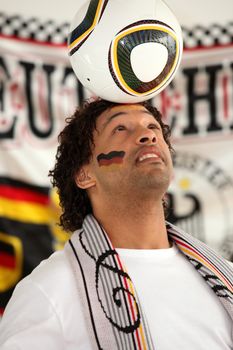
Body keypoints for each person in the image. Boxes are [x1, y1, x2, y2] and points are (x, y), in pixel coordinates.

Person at [0, 98, 232, 349]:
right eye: (120, 128)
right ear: (84, 174)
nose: (147, 135)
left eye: (153, 127)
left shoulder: (224, 276)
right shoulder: (48, 292)